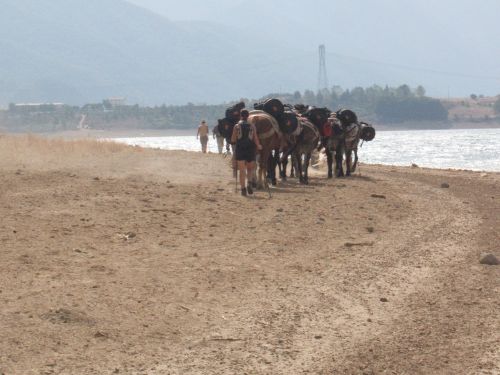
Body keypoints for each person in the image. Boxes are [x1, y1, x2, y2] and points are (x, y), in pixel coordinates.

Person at [231, 109, 262, 196]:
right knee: (250, 169)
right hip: (250, 150)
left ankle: (243, 189)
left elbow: (233, 139)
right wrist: (259, 145)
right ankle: (249, 183)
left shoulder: (236, 126)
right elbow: (255, 138)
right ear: (248, 116)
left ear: (240, 116)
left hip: (240, 149)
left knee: (242, 171)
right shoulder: (252, 126)